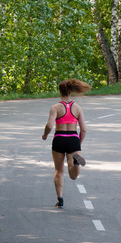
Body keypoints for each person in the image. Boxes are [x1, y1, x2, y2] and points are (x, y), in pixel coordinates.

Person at [42, 79, 91, 208]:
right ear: (71, 91)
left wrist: (45, 135)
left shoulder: (55, 107)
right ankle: (75, 163)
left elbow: (49, 125)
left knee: (59, 171)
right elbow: (84, 129)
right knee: (73, 176)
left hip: (59, 139)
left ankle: (60, 199)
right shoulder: (77, 108)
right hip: (73, 139)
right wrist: (78, 143)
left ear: (60, 91)